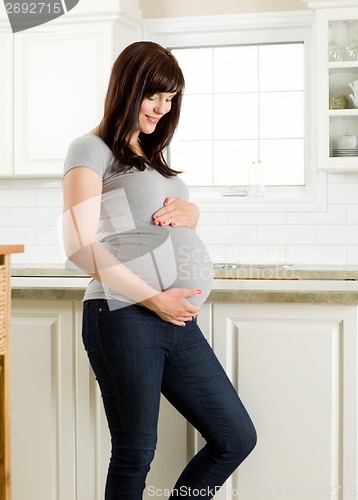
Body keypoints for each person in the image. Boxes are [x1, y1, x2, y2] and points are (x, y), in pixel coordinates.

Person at [62, 40, 256, 500]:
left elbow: (151, 220)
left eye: (171, 100)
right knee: (136, 452)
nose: (163, 109)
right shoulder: (90, 148)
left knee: (235, 437)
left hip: (176, 320)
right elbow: (77, 244)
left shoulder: (148, 154)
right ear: (128, 88)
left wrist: (194, 215)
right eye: (155, 96)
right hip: (125, 314)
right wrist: (154, 298)